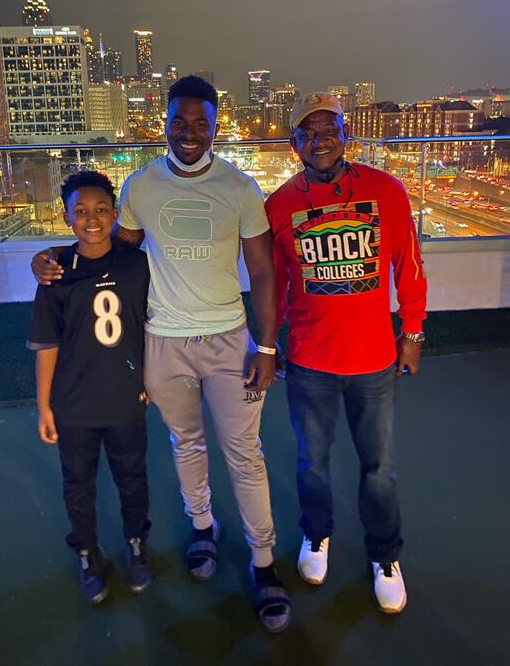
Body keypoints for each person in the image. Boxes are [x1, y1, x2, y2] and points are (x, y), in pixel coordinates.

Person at [32, 76, 291, 633]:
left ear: (217, 125)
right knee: (186, 441)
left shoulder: (241, 188)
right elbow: (107, 253)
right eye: (180, 121)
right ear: (166, 123)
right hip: (164, 341)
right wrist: (52, 258)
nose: (190, 132)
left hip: (228, 340)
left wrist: (266, 345)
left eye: (201, 122)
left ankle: (264, 564)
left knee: (244, 451)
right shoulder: (140, 187)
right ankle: (203, 530)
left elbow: (264, 271)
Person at [265, 92, 427, 614]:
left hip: (375, 359)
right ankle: (317, 534)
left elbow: (410, 265)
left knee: (378, 467)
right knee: (313, 463)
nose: (320, 140)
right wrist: (272, 343)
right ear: (294, 146)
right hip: (310, 358)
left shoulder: (386, 190)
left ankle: (385, 555)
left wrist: (414, 332)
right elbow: (276, 286)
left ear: (346, 134)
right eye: (308, 133)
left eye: (329, 128)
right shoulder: (279, 204)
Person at [27, 170, 152, 604]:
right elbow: (47, 344)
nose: (92, 219)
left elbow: (150, 327)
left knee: (132, 478)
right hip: (74, 404)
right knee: (77, 483)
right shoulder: (57, 273)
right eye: (80, 211)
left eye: (101, 210)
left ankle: (136, 542)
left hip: (125, 398)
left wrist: (147, 377)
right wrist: (44, 406)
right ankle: (86, 550)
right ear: (66, 217)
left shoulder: (137, 265)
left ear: (116, 213)